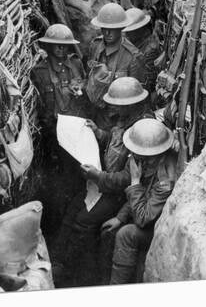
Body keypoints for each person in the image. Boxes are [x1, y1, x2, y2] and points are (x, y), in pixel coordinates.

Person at [51, 76, 153, 287]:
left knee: (84, 222)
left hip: (120, 194)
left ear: (130, 104)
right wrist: (100, 133)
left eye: (117, 104)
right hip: (105, 182)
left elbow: (129, 178)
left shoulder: (143, 129)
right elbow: (116, 141)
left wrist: (98, 177)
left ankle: (83, 275)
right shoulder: (125, 119)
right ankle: (59, 262)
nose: (112, 107)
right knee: (73, 208)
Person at [80, 118, 177, 285]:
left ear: (154, 154)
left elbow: (143, 218)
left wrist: (135, 181)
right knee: (108, 232)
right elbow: (140, 192)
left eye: (140, 154)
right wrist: (121, 217)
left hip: (156, 225)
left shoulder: (165, 178)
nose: (135, 157)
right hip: (142, 209)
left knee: (126, 234)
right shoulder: (143, 158)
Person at [31, 24, 91, 236]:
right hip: (54, 135)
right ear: (48, 47)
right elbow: (40, 107)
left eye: (65, 46)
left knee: (79, 178)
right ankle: (56, 226)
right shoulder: (39, 72)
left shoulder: (76, 65)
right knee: (58, 183)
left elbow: (85, 90)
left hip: (77, 130)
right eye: (56, 45)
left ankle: (76, 223)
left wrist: (80, 90)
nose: (61, 50)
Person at [87, 3, 146, 130]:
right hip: (95, 115)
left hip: (118, 122)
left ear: (121, 28)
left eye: (112, 28)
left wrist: (122, 128)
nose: (107, 33)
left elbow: (138, 100)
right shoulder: (95, 46)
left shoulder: (133, 57)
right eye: (104, 28)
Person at [123, 8, 162, 93]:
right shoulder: (137, 43)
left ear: (140, 29)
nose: (127, 34)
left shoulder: (150, 50)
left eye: (130, 31)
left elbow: (150, 82)